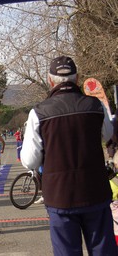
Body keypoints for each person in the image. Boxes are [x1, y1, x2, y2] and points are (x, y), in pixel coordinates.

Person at [21, 56, 117, 255]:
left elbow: (30, 160)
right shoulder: (95, 106)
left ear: (50, 80)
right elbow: (108, 136)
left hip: (60, 196)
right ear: (78, 78)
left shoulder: (38, 113)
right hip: (95, 191)